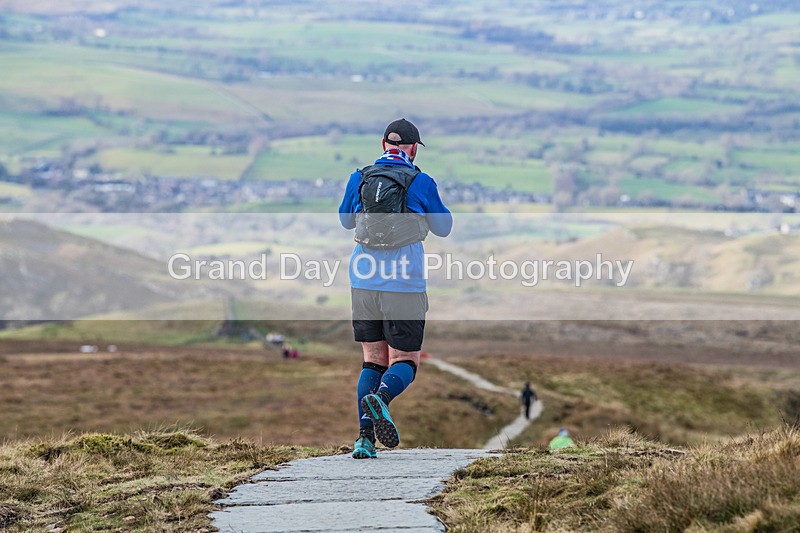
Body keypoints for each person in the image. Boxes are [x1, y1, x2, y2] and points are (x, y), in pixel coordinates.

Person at [339, 118, 453, 459]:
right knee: (405, 359)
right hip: (404, 284)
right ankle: (383, 398)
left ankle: (364, 440)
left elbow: (346, 220)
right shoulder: (421, 181)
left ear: (383, 145)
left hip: (362, 281)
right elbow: (444, 227)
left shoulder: (359, 177)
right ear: (414, 148)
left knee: (372, 361)